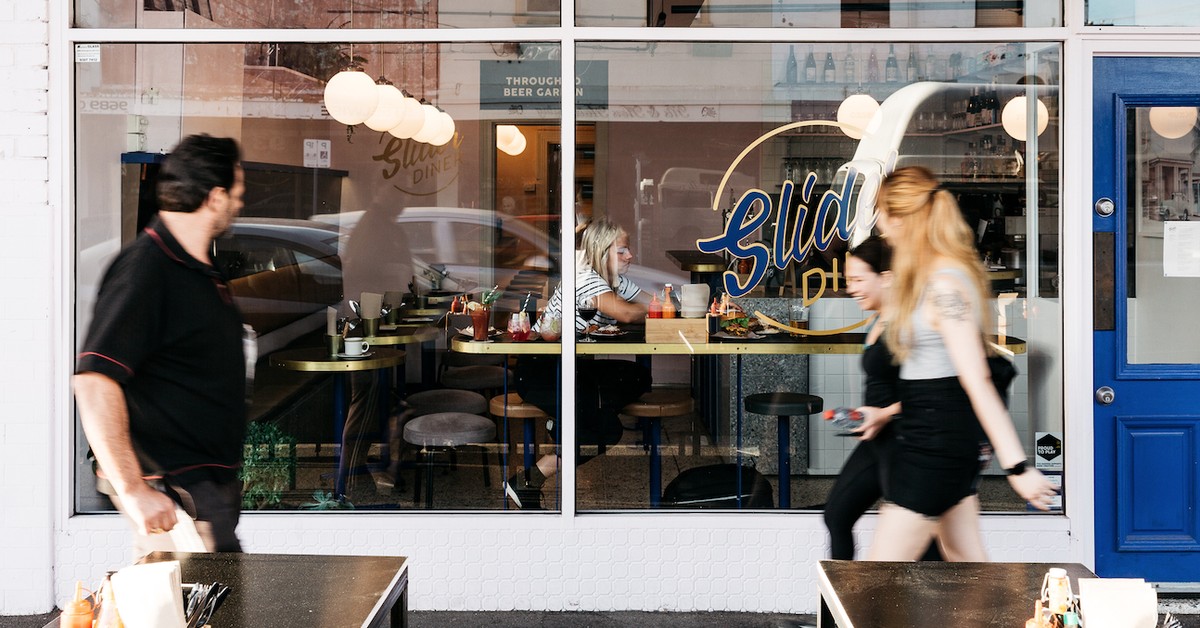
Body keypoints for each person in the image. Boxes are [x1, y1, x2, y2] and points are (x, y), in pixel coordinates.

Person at [867, 166, 1056, 562]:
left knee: (874, 581)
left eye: (882, 217)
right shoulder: (935, 276)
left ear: (902, 218)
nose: (881, 230)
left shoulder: (944, 285)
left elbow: (976, 380)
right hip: (938, 437)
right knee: (968, 572)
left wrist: (1018, 468)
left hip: (935, 447)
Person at [74, 134, 248, 555]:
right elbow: (95, 381)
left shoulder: (197, 266)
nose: (241, 204)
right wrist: (133, 488)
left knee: (201, 610)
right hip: (174, 490)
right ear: (215, 196)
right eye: (238, 194)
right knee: (201, 612)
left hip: (204, 485)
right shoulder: (146, 269)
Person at [506, 216, 652, 509]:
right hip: (541, 370)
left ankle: (563, 422)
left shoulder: (615, 281)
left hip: (572, 368)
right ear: (600, 252)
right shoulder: (585, 278)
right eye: (621, 250)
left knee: (637, 376)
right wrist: (651, 309)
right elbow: (625, 314)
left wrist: (681, 305)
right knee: (607, 429)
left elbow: (656, 302)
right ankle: (534, 474)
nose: (630, 255)